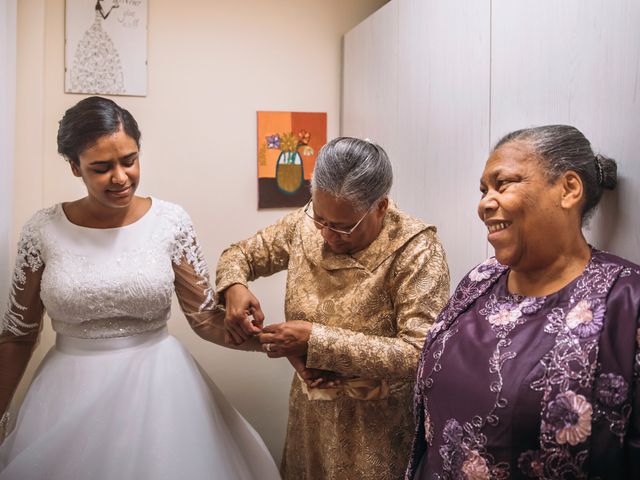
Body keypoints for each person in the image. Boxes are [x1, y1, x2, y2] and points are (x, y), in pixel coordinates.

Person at [0, 96, 280, 480]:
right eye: (101, 168)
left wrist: (270, 341)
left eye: (129, 160)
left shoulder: (170, 222)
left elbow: (204, 319)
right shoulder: (42, 230)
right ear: (74, 166)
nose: (120, 177)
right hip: (67, 392)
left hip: (161, 393)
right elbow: (17, 336)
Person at [406, 125, 640, 479]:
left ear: (568, 189)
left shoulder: (625, 301)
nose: (485, 203)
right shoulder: (480, 280)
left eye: (504, 184)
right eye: (484, 190)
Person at [217, 137, 450, 480]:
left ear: (381, 207)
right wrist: (234, 287)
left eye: (343, 227)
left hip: (375, 429)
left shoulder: (415, 251)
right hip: (309, 419)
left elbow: (421, 354)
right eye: (321, 219)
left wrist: (314, 340)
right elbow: (239, 254)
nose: (327, 235)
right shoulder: (304, 225)